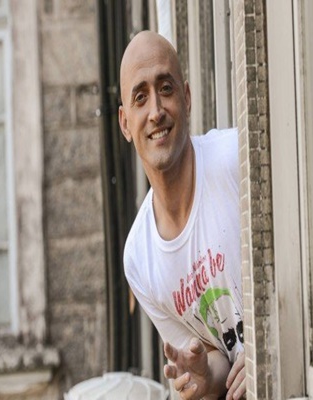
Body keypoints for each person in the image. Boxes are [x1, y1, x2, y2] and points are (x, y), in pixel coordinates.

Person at [118, 30, 245, 400]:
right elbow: (215, 354)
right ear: (125, 123)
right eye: (140, 97)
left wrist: (270, 343)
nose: (156, 111)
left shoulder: (237, 159)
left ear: (186, 98)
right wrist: (204, 379)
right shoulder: (139, 259)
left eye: (166, 88)